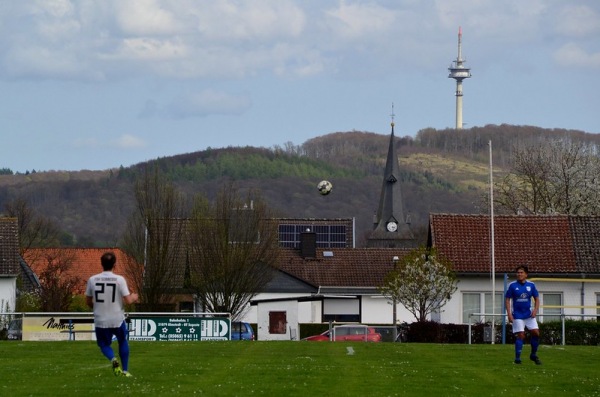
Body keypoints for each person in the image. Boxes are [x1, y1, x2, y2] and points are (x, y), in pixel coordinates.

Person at [86, 252, 139, 377]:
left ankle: (113, 359)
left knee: (104, 345)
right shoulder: (119, 280)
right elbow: (128, 300)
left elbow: (88, 301)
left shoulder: (92, 280)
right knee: (122, 341)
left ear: (101, 264)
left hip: (101, 319)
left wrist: (99, 307)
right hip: (117, 318)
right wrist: (135, 297)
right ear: (115, 265)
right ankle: (125, 371)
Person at [504, 265, 542, 365]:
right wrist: (509, 314)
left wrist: (535, 310)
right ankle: (517, 358)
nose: (519, 274)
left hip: (529, 314)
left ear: (526, 274)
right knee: (521, 335)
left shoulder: (531, 285)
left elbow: (537, 299)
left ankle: (533, 355)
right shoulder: (512, 285)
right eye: (518, 273)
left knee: (536, 333)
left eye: (521, 272)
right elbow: (507, 299)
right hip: (517, 315)